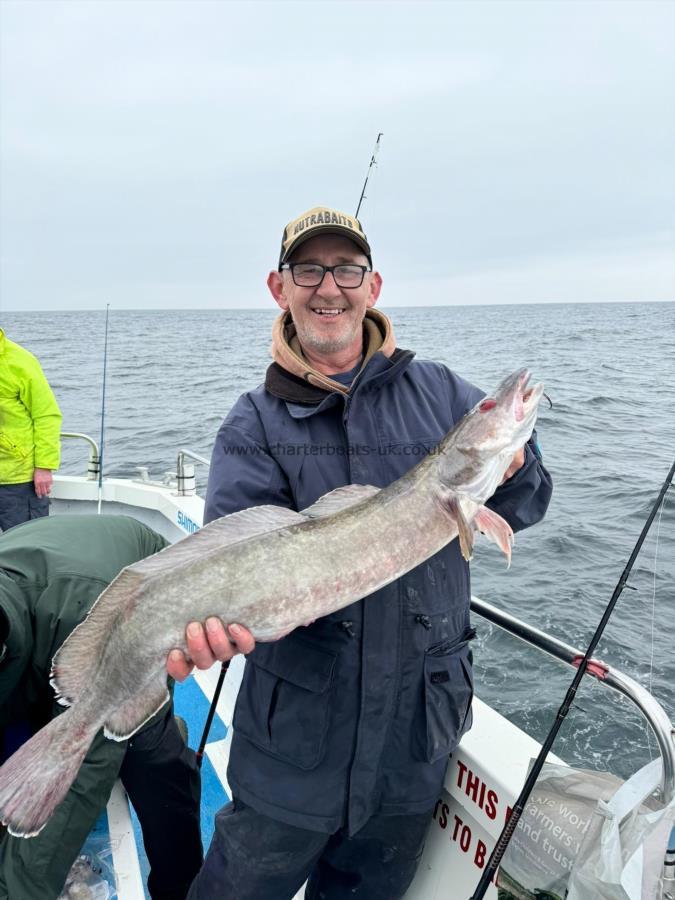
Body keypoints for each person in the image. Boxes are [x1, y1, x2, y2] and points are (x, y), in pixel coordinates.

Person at [168, 206, 553, 899]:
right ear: (278, 287)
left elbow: (526, 501)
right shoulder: (254, 422)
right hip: (294, 753)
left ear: (372, 287)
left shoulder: (439, 391)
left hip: (412, 749)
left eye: (346, 270)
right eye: (308, 270)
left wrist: (514, 463)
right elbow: (233, 552)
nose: (328, 288)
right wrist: (216, 625)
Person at [0, 514, 203, 900]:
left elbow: (81, 775)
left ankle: (180, 887)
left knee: (149, 758)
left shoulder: (81, 613)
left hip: (133, 602)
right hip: (45, 602)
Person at [0, 329, 62, 532]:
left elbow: (46, 415)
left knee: (25, 546)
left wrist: (44, 465)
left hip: (17, 479)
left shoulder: (20, 360)